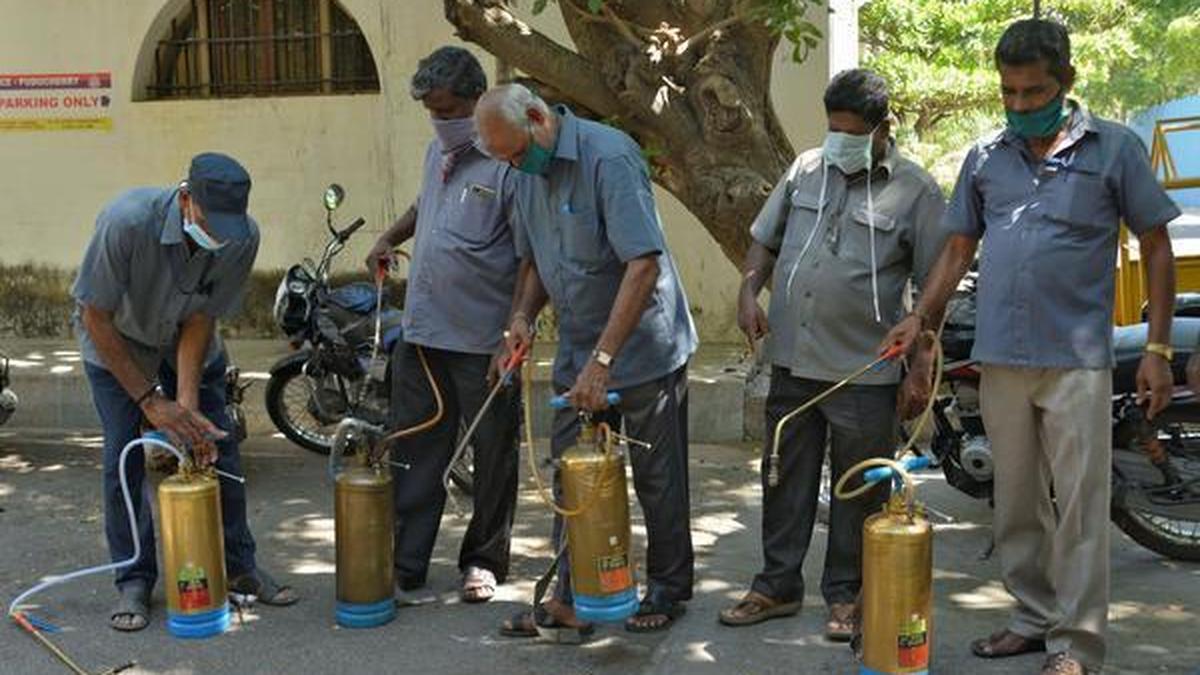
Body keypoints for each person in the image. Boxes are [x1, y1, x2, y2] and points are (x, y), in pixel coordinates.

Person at [882, 19, 1179, 675]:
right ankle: (1030, 618)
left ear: (1065, 82)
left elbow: (1156, 244)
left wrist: (1157, 344)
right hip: (1002, 357)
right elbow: (959, 245)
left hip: (1076, 359)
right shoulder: (987, 156)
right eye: (1009, 93)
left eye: (1033, 91)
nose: (1020, 105)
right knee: (1016, 501)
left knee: (1078, 507)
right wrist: (920, 319)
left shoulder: (1115, 149)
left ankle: (1076, 644)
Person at [716, 69, 947, 641]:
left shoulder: (915, 190)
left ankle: (845, 596)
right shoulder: (805, 170)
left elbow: (933, 286)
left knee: (858, 488)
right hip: (794, 358)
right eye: (832, 127)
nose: (838, 138)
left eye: (851, 130)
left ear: (881, 128)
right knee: (783, 479)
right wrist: (748, 290)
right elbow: (764, 242)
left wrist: (920, 364)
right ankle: (776, 586)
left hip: (865, 368)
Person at [474, 83, 699, 636]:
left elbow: (642, 264)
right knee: (572, 477)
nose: (513, 165)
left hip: (645, 347)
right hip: (579, 346)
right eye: (503, 159)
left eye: (516, 153)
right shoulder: (523, 171)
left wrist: (605, 360)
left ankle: (668, 591)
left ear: (537, 118)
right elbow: (532, 262)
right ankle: (573, 597)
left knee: (657, 477)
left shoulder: (610, 156)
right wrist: (520, 322)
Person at [74, 152, 298, 632]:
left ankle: (240, 566)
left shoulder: (242, 237)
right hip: (117, 342)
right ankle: (133, 579)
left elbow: (201, 317)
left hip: (185, 340)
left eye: (227, 226)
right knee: (124, 457)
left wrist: (188, 406)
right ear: (185, 198)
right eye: (209, 222)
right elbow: (96, 317)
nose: (217, 235)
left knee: (214, 444)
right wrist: (151, 402)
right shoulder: (127, 223)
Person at [364, 46, 521, 605]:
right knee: (415, 448)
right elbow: (422, 204)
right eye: (431, 111)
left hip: (484, 343)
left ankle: (483, 561)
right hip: (423, 333)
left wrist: (515, 331)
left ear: (477, 102)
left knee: (492, 455)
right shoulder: (439, 154)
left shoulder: (508, 162)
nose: (440, 120)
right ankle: (408, 563)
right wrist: (389, 237)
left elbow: (530, 260)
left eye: (449, 110)